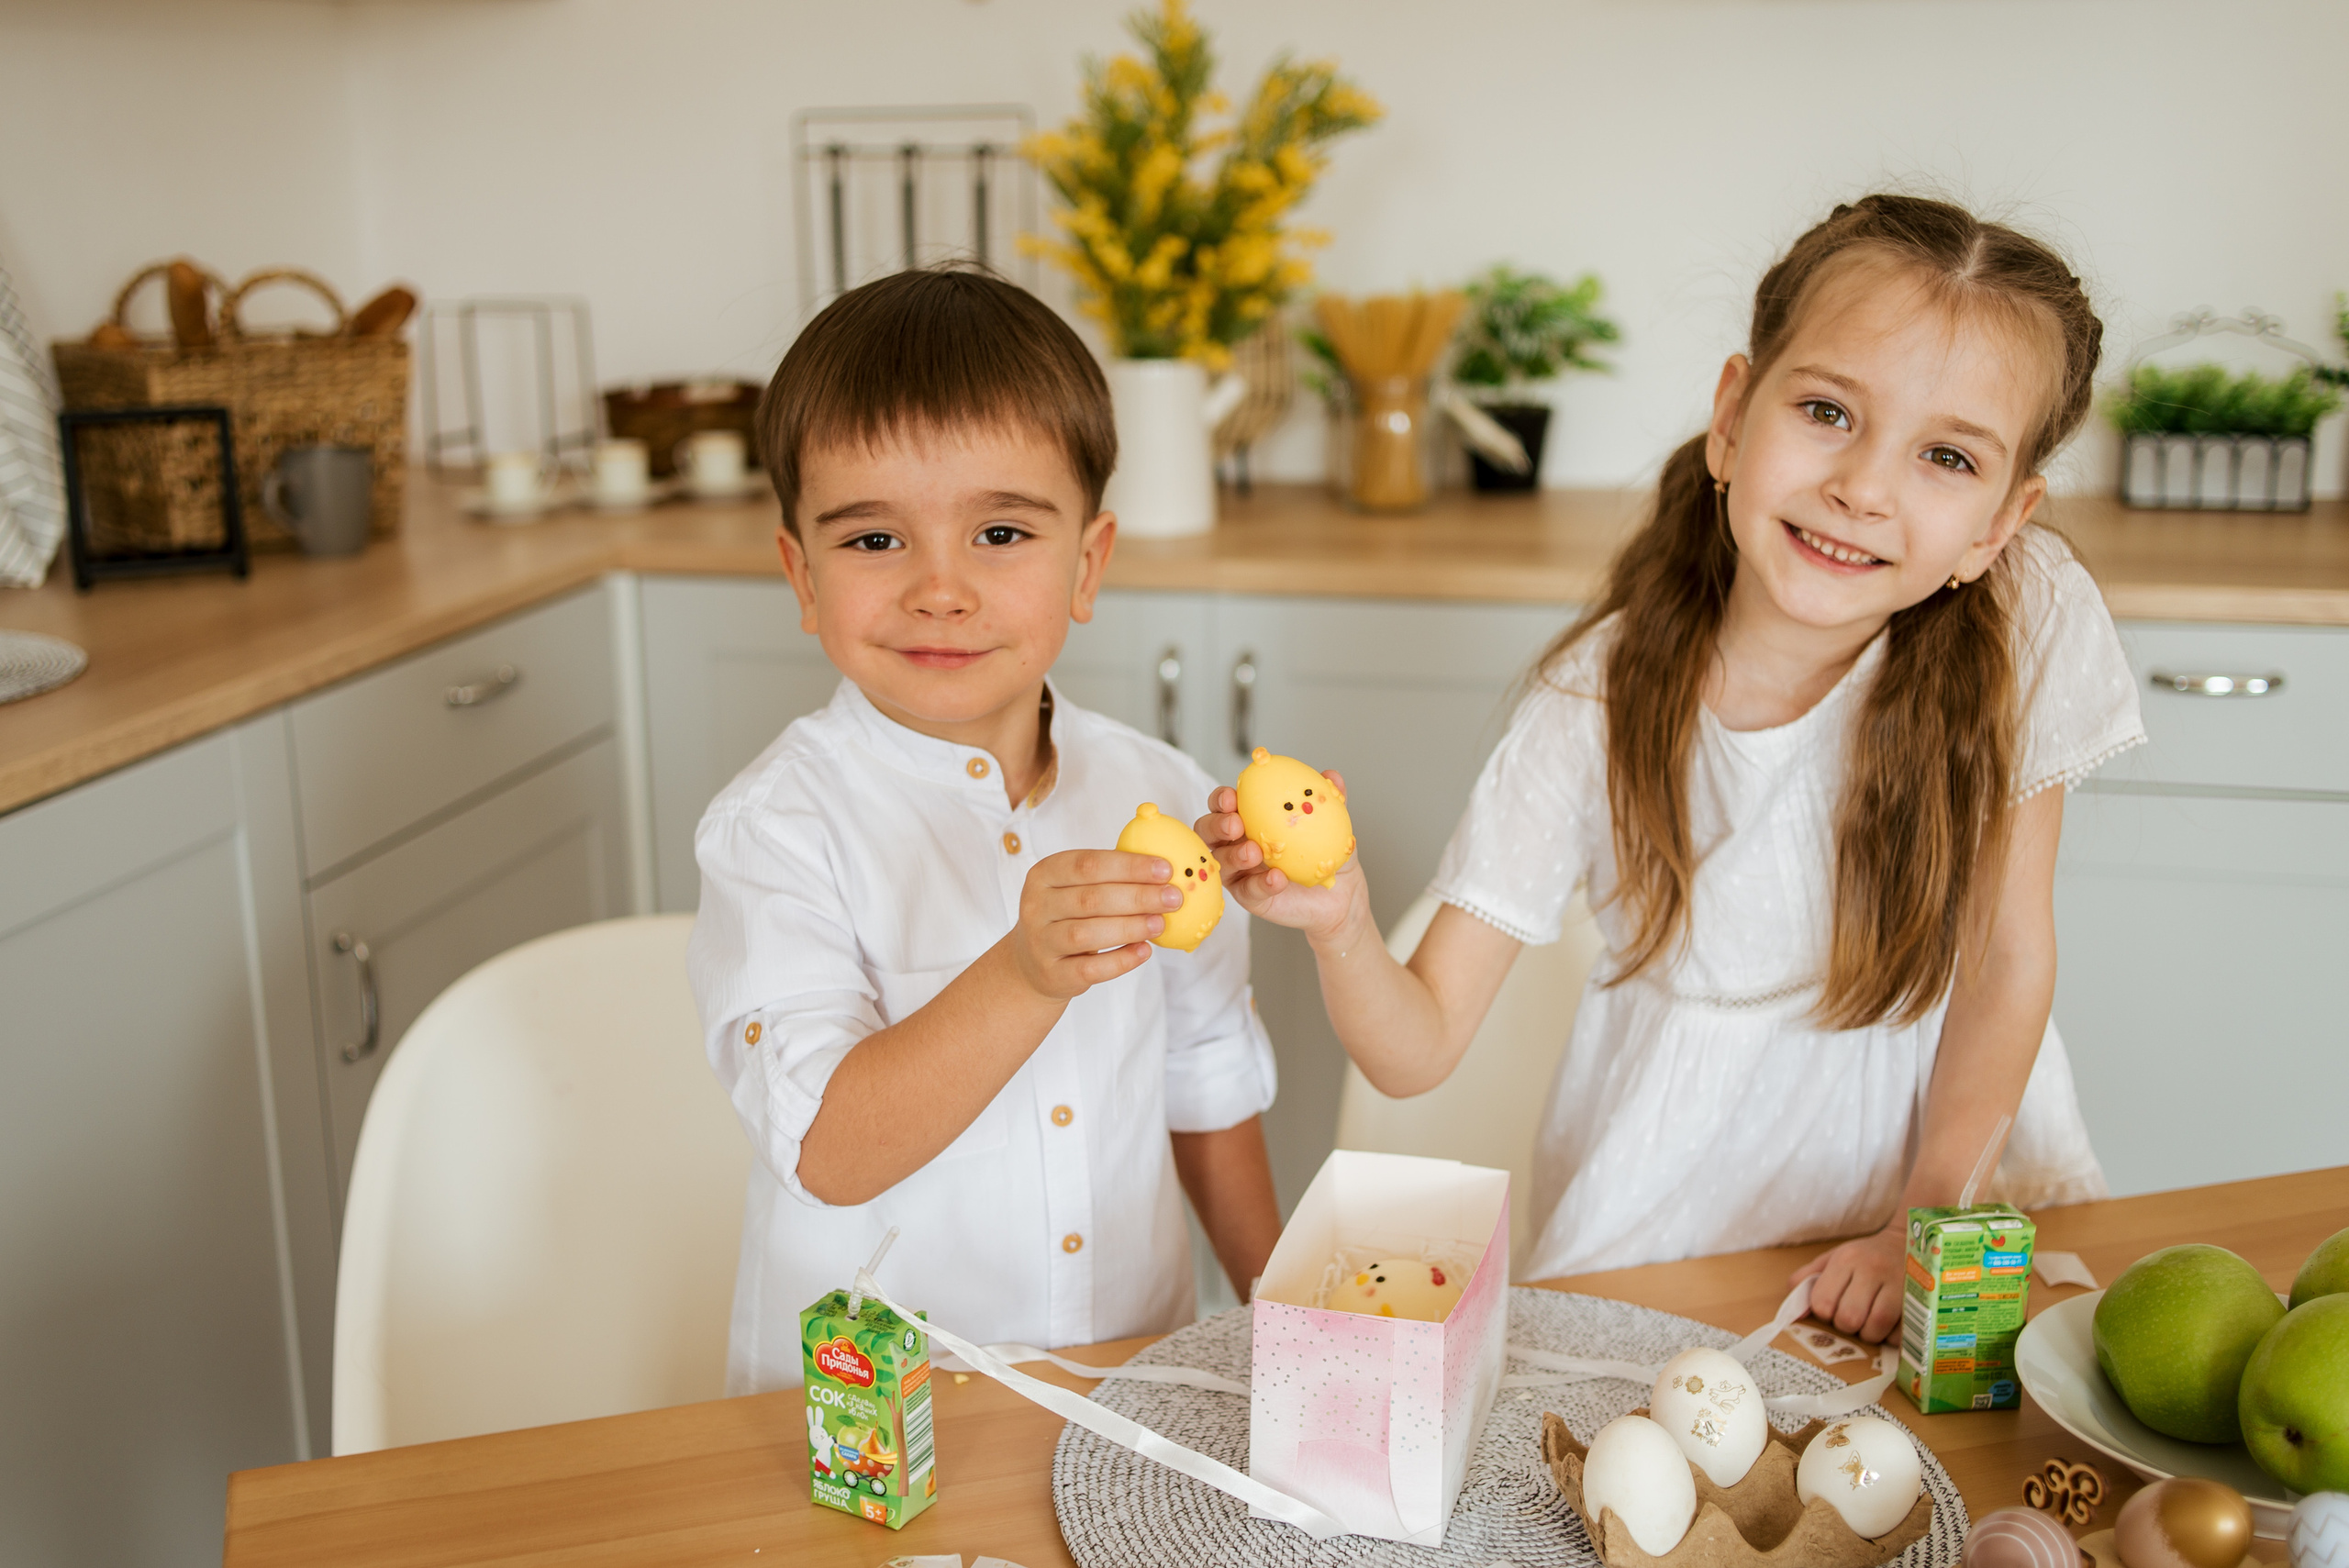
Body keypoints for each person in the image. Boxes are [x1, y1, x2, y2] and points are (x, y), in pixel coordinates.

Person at [1202, 195, 2143, 1343]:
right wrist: (1340, 920)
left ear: (2001, 522)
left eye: (1946, 456)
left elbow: (2006, 956)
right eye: (1826, 411)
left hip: (1941, 1190)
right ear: (1733, 418)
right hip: (1665, 1234)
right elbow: (1418, 1046)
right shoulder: (1593, 699)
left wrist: (1925, 1218)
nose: (1864, 485)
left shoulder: (2024, 619)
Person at [689, 266, 1281, 1393]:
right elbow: (829, 1147)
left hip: (1125, 1382)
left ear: (1088, 564)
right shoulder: (774, 831)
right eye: (873, 542)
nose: (940, 588)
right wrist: (1021, 972)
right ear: (799, 575)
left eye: (1001, 530)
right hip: (876, 1427)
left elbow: (1203, 1072)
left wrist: (1289, 1322)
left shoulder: (1155, 790)